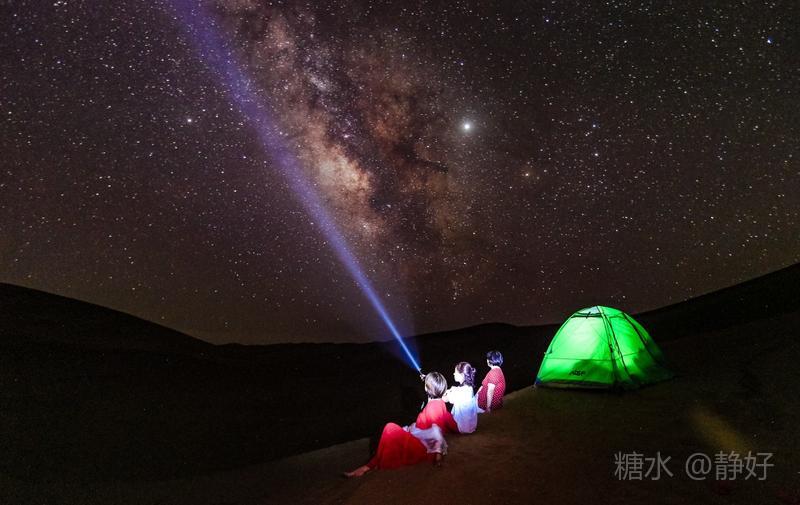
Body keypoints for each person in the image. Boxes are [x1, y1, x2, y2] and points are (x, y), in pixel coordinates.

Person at [344, 372, 459, 477]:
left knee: (390, 428)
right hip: (423, 441)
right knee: (395, 431)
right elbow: (447, 421)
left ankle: (368, 466)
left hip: (421, 447)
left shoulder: (432, 407)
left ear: (426, 388)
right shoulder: (440, 403)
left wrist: (438, 457)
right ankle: (370, 465)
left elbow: (436, 431)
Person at [443, 361, 478, 433]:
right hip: (471, 426)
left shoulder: (460, 392)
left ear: (462, 375)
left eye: (455, 372)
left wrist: (432, 386)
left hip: (461, 427)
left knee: (441, 414)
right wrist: (449, 391)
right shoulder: (469, 388)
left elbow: (444, 399)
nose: (453, 374)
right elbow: (455, 389)